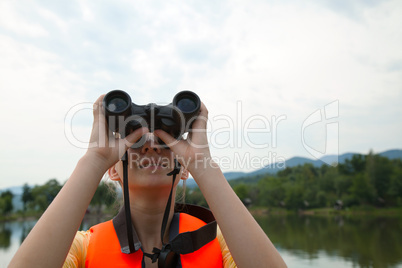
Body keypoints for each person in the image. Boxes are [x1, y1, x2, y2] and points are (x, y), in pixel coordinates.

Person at [9, 94, 287, 268]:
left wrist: (205, 166)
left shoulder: (222, 244)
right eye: (136, 139)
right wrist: (93, 160)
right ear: (113, 171)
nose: (152, 146)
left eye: (166, 140)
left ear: (184, 169)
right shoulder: (81, 248)